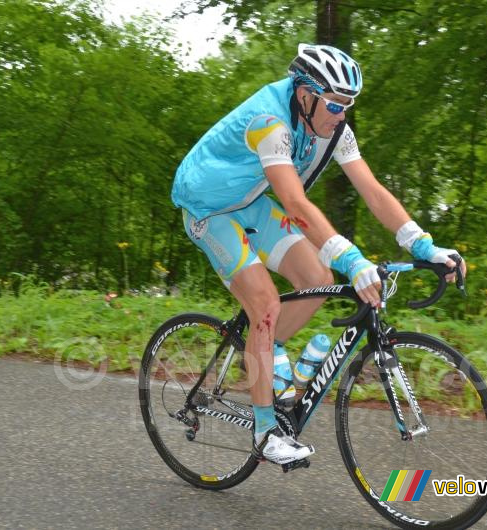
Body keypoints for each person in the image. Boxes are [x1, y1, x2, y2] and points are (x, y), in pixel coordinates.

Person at [171, 43, 466, 465]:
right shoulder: (270, 123)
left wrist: (423, 244)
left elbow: (374, 192)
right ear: (305, 94)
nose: (341, 114)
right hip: (209, 210)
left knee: (317, 278)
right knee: (265, 303)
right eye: (334, 104)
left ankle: (265, 354)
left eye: (348, 105)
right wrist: (354, 259)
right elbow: (293, 202)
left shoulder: (334, 131)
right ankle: (264, 430)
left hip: (250, 201)